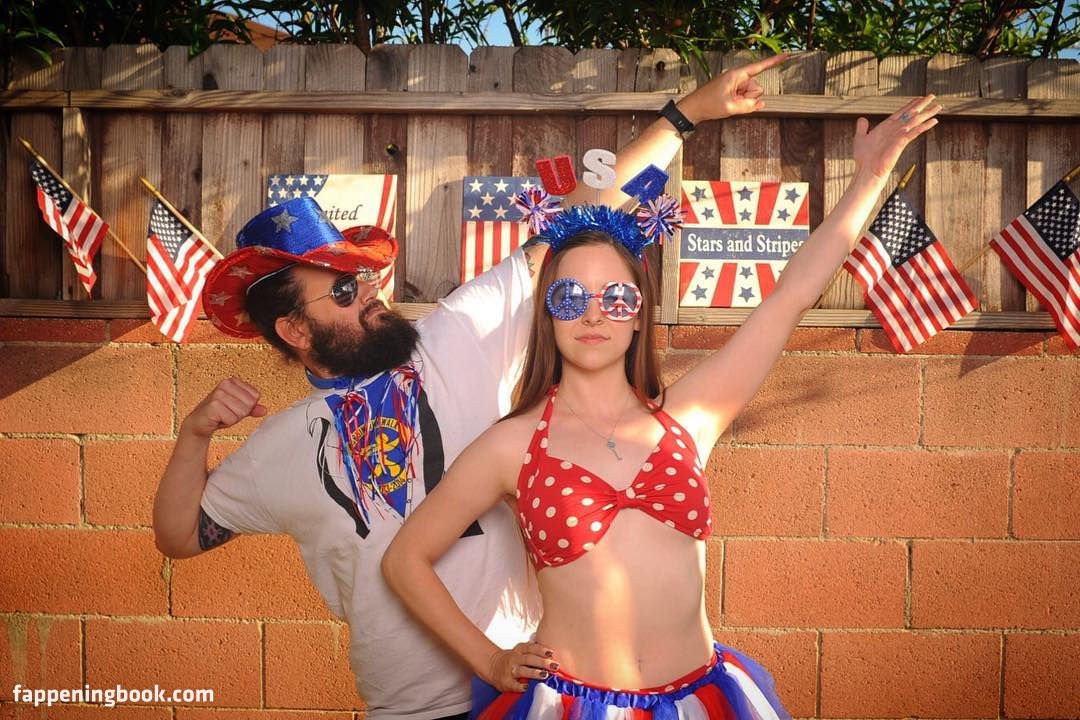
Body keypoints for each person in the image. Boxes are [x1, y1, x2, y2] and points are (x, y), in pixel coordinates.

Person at [150, 54, 786, 720]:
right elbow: (180, 535)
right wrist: (195, 434)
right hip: (408, 712)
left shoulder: (458, 335)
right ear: (294, 329)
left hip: (529, 694)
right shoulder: (280, 446)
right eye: (341, 291)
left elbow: (574, 219)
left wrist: (686, 115)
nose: (369, 294)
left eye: (362, 279)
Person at [381, 93, 943, 718]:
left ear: (639, 313)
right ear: (547, 314)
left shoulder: (689, 416)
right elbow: (405, 561)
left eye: (616, 297)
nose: (594, 314)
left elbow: (792, 293)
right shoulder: (510, 445)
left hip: (703, 699)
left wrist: (869, 177)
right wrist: (489, 660)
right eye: (570, 297)